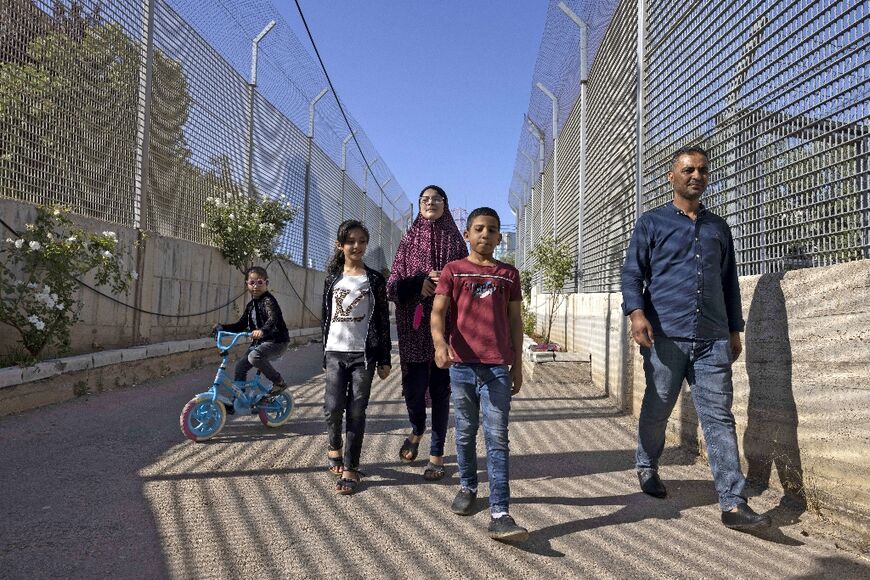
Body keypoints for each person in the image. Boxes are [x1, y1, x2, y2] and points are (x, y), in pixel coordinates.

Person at [621, 145, 771, 531]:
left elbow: (728, 282)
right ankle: (647, 464)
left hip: (711, 337)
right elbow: (632, 275)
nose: (696, 176)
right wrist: (637, 314)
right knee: (658, 408)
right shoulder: (651, 223)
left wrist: (734, 329)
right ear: (671, 176)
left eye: (703, 170)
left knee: (719, 417)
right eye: (688, 170)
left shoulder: (718, 227)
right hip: (665, 336)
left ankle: (733, 504)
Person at [431, 207, 528, 543]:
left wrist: (517, 365)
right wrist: (440, 344)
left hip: (497, 368)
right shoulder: (453, 271)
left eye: (492, 230)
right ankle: (468, 486)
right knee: (466, 432)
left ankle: (500, 512)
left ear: (500, 237)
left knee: (497, 437)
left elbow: (516, 322)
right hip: (461, 366)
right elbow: (438, 311)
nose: (485, 235)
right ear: (467, 235)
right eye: (479, 229)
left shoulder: (509, 275)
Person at [387, 185, 468, 480]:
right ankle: (417, 429)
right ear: (419, 205)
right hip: (413, 329)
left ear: (445, 204)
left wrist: (446, 283)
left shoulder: (457, 244)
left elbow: (467, 281)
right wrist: (418, 282)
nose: (430, 202)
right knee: (413, 392)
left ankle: (436, 455)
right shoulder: (407, 242)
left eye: (436, 199)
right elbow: (392, 285)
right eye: (424, 199)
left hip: (446, 330)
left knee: (440, 391)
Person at [321, 220, 392, 495]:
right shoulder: (333, 278)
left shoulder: (374, 280)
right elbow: (326, 318)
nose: (357, 246)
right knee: (332, 406)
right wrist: (323, 354)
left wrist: (384, 358)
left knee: (357, 410)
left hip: (363, 355)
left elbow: (383, 320)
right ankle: (334, 447)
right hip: (335, 352)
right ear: (341, 245)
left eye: (362, 241)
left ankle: (351, 467)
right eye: (351, 241)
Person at [215, 266, 290, 402]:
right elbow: (240, 325)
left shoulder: (269, 301)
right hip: (260, 342)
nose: (255, 286)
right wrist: (222, 327)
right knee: (240, 367)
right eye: (252, 283)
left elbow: (273, 319)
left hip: (277, 342)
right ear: (247, 284)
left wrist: (262, 331)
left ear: (266, 283)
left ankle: (279, 382)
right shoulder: (250, 306)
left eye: (259, 282)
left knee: (254, 356)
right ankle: (239, 398)